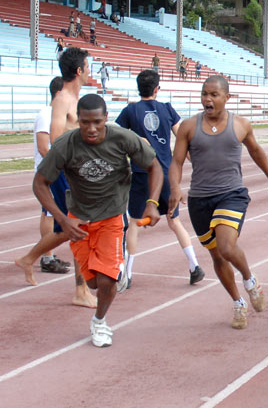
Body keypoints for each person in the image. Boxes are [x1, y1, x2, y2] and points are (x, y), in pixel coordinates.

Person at [33, 94, 163, 347]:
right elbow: (40, 183)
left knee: (106, 281)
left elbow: (154, 166)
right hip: (78, 222)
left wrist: (153, 202)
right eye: (84, 123)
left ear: (105, 119)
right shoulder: (65, 145)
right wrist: (62, 218)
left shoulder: (123, 138)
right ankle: (114, 272)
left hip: (111, 217)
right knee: (93, 282)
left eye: (96, 122)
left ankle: (100, 321)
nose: (91, 129)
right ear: (78, 121)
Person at [168, 75, 268, 330]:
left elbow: (256, 151)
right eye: (204, 94)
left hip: (232, 194)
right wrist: (175, 186)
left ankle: (250, 281)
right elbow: (177, 161)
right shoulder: (188, 126)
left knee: (227, 247)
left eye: (214, 95)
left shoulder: (240, 124)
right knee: (217, 256)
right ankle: (238, 302)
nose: (208, 99)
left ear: (227, 98)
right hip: (199, 199)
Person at [15, 47, 97, 308]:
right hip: (66, 171)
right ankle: (80, 290)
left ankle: (30, 259)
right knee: (78, 227)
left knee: (71, 228)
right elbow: (55, 137)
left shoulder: (77, 99)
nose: (90, 71)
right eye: (87, 66)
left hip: (78, 171)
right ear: (78, 71)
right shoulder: (62, 99)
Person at [116, 69, 205, 288]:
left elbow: (117, 135)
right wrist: (196, 161)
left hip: (140, 173)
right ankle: (194, 266)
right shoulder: (167, 109)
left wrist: (137, 138)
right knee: (174, 221)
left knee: (134, 223)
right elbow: (181, 135)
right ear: (157, 88)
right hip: (165, 172)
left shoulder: (130, 111)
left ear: (139, 88)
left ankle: (127, 275)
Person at [32, 76, 70, 274]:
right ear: (58, 93)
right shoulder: (47, 114)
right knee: (49, 214)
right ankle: (46, 258)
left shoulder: (55, 113)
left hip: (55, 171)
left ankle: (49, 255)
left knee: (51, 214)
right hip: (50, 173)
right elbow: (44, 147)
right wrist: (60, 166)